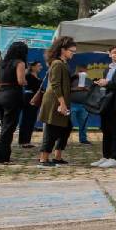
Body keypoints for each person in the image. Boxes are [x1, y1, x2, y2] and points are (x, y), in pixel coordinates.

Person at [37, 37, 78, 167]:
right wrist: (62, 103)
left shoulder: (63, 63)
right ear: (63, 50)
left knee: (66, 127)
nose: (73, 53)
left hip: (60, 99)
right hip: (55, 101)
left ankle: (57, 156)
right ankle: (44, 158)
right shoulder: (57, 63)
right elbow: (55, 84)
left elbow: (63, 83)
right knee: (52, 129)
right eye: (71, 50)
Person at [0, 42, 29, 164]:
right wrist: (25, 81)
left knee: (5, 126)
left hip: (1, 94)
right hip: (13, 95)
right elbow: (20, 81)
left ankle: (5, 155)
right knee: (8, 128)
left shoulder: (1, 63)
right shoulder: (20, 63)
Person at [17, 61, 43, 147]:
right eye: (39, 65)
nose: (40, 67)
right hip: (29, 98)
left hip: (36, 98)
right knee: (26, 119)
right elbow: (32, 87)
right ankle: (24, 141)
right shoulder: (28, 76)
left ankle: (27, 140)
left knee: (31, 119)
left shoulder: (38, 76)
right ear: (33, 67)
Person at [69, 64, 93, 144]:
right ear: (76, 71)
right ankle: (64, 139)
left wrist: (87, 89)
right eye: (79, 71)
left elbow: (92, 91)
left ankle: (83, 139)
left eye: (83, 71)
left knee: (83, 124)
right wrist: (76, 89)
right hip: (72, 104)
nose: (81, 73)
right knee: (69, 123)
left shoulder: (89, 80)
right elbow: (65, 89)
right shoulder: (71, 79)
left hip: (84, 105)